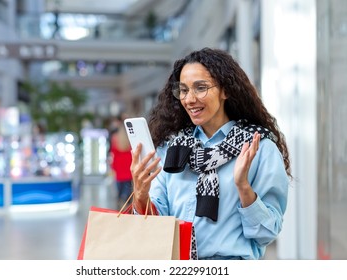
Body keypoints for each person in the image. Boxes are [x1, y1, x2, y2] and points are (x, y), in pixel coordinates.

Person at [130, 47, 291, 260]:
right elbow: (156, 226)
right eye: (184, 90)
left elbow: (266, 233)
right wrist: (141, 195)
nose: (189, 99)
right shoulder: (171, 149)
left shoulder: (259, 148)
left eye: (200, 88)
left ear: (226, 90)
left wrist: (244, 188)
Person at [109, 114, 133, 208]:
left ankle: (119, 205)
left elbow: (113, 154)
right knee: (128, 191)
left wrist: (112, 167)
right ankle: (128, 206)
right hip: (128, 167)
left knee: (119, 190)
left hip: (119, 168)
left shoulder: (115, 138)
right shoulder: (129, 139)